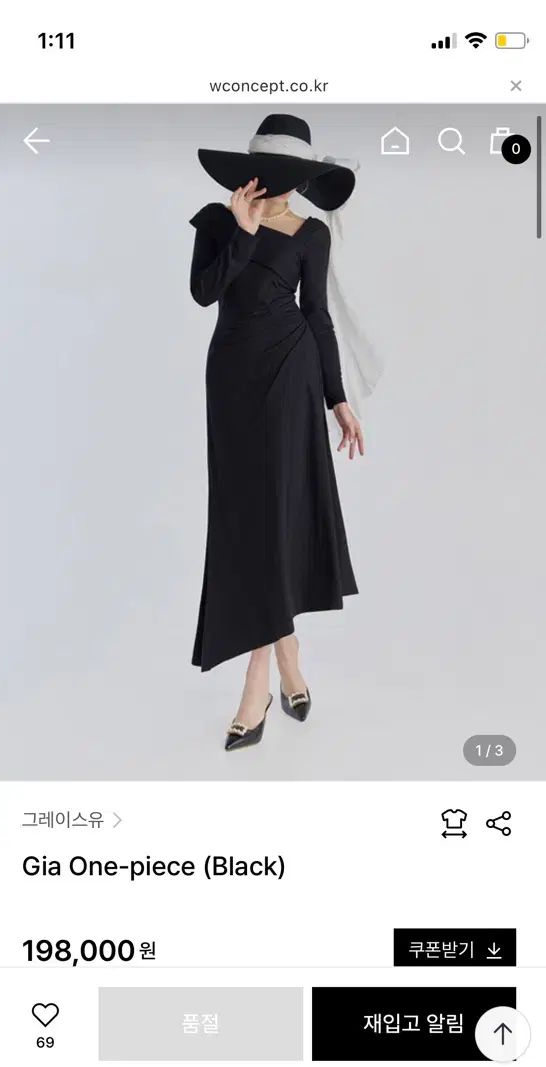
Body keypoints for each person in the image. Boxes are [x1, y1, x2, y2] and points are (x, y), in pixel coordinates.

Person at [189, 113, 369, 750]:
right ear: (252, 175)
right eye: (273, 175)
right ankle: (288, 650)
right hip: (231, 379)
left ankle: (258, 680)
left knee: (277, 517)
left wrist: (337, 398)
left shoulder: (311, 234)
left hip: (291, 377)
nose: (282, 187)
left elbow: (317, 315)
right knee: (246, 519)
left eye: (292, 177)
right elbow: (204, 293)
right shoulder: (218, 222)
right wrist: (241, 234)